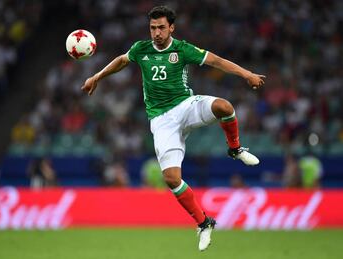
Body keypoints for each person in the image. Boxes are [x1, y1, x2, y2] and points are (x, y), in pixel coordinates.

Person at [81, 6, 265, 251]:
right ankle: (204, 222)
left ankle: (235, 148)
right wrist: (97, 76)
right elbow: (121, 61)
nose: (156, 32)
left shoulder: (182, 49)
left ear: (171, 28)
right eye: (153, 28)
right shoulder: (140, 49)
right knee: (171, 178)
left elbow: (216, 61)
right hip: (161, 120)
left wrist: (246, 74)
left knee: (224, 106)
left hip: (185, 106)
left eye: (161, 27)